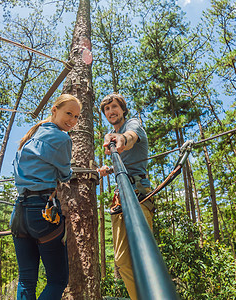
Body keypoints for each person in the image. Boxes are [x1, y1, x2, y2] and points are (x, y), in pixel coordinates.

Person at [10, 94, 81, 300]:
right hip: (41, 212)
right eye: (69, 113)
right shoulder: (62, 138)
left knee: (26, 279)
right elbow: (65, 174)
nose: (72, 121)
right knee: (58, 280)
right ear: (54, 110)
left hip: (19, 213)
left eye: (76, 117)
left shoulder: (31, 136)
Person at [97, 93, 154, 300]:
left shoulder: (133, 124)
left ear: (122, 109)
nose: (111, 111)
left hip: (139, 193)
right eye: (107, 109)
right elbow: (124, 159)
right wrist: (109, 169)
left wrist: (121, 139)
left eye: (114, 107)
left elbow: (130, 138)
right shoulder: (111, 135)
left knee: (143, 254)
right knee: (122, 260)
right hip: (120, 197)